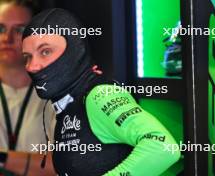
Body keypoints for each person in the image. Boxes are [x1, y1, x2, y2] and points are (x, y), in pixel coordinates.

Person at [22, 8, 181, 176]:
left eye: (45, 51)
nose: (32, 66)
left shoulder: (100, 96)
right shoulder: (67, 103)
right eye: (27, 57)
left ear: (74, 49)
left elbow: (162, 146)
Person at [0, 1, 56, 175]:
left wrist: (3, 159)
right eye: (1, 28)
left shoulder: (57, 95)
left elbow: (62, 166)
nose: (6, 38)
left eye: (19, 30)